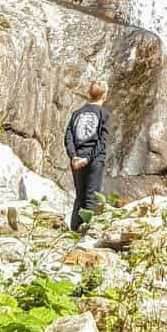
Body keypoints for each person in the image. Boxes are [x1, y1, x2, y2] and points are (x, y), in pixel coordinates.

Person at [65, 79, 109, 232]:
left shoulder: (76, 113)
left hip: (77, 159)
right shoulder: (103, 114)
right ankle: (86, 234)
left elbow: (68, 137)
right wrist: (88, 158)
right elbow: (102, 142)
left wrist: (73, 157)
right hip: (93, 159)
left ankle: (73, 231)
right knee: (92, 196)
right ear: (105, 95)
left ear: (89, 94)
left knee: (80, 196)